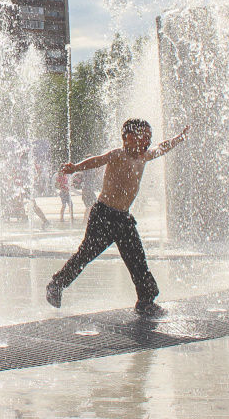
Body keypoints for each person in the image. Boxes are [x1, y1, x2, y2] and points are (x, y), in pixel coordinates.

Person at [46, 120, 189, 315]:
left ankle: (145, 301)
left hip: (123, 218)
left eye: (149, 136)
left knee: (137, 259)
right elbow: (96, 160)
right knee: (86, 254)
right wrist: (75, 167)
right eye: (144, 136)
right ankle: (56, 285)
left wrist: (178, 139)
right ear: (128, 137)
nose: (148, 141)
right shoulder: (117, 155)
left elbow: (161, 148)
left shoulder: (144, 157)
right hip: (104, 215)